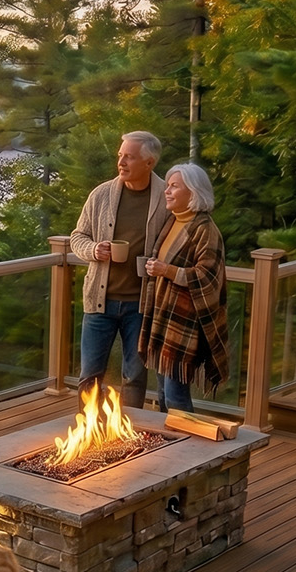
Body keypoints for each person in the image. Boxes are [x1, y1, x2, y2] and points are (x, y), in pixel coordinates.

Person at [68, 131, 168, 408]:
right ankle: (87, 433)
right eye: (120, 156)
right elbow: (78, 236)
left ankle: (133, 434)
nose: (121, 162)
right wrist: (93, 250)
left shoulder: (165, 198)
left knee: (135, 376)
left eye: (129, 157)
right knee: (90, 375)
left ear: (149, 163)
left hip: (142, 305)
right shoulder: (101, 194)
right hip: (100, 303)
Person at [139, 163, 229, 413]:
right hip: (164, 319)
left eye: (174, 186)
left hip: (185, 324)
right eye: (167, 185)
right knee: (164, 394)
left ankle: (188, 447)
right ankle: (167, 443)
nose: (167, 191)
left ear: (194, 192)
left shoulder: (205, 229)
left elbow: (207, 276)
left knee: (175, 396)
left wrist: (165, 270)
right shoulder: (172, 221)